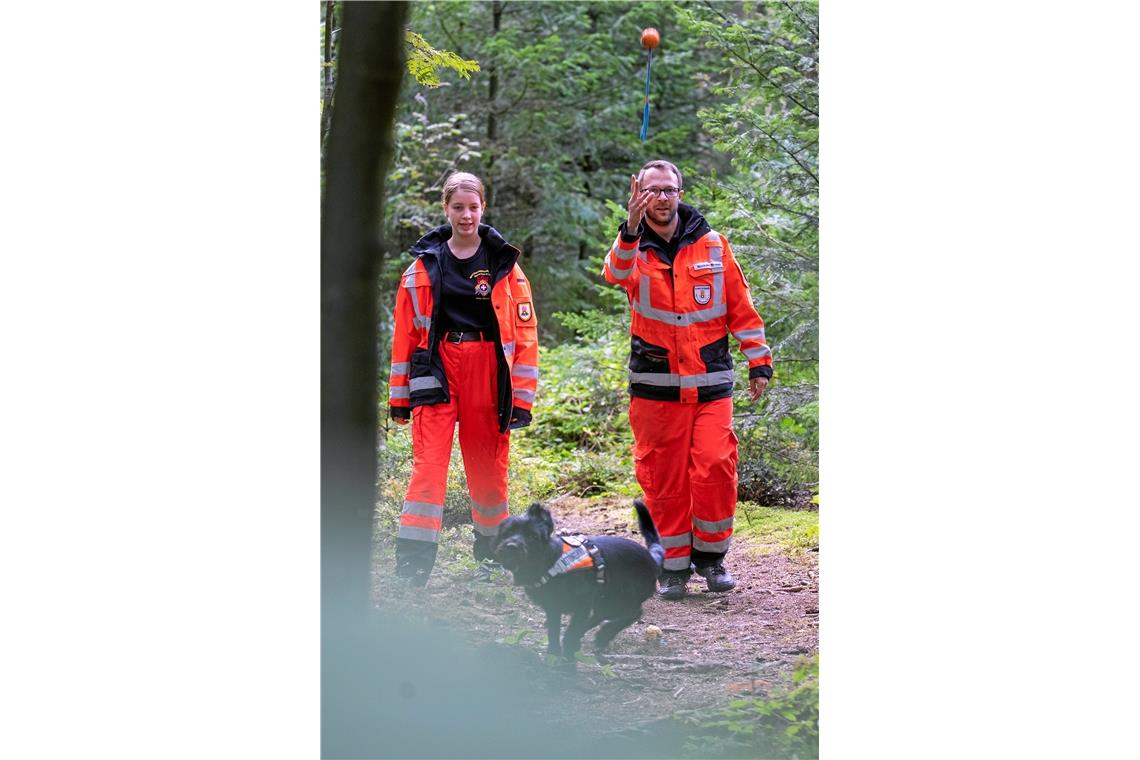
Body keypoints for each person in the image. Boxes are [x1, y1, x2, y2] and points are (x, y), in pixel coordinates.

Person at [602, 160, 772, 600]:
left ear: (680, 193)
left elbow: (741, 307)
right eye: (652, 190)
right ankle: (673, 568)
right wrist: (630, 227)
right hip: (656, 387)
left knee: (715, 465)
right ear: (640, 195)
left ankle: (712, 560)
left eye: (668, 190)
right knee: (664, 479)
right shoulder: (632, 247)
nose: (661, 198)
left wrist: (759, 360)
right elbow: (614, 275)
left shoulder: (714, 245)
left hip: (710, 383)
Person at [388, 171, 539, 586]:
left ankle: (492, 555)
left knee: (488, 468)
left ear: (483, 208)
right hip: (435, 368)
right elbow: (405, 336)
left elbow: (525, 333)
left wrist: (522, 397)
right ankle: (413, 562)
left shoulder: (504, 265)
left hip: (487, 370)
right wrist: (399, 397)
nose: (466, 215)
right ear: (446, 209)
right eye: (458, 207)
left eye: (473, 207)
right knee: (428, 467)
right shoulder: (422, 266)